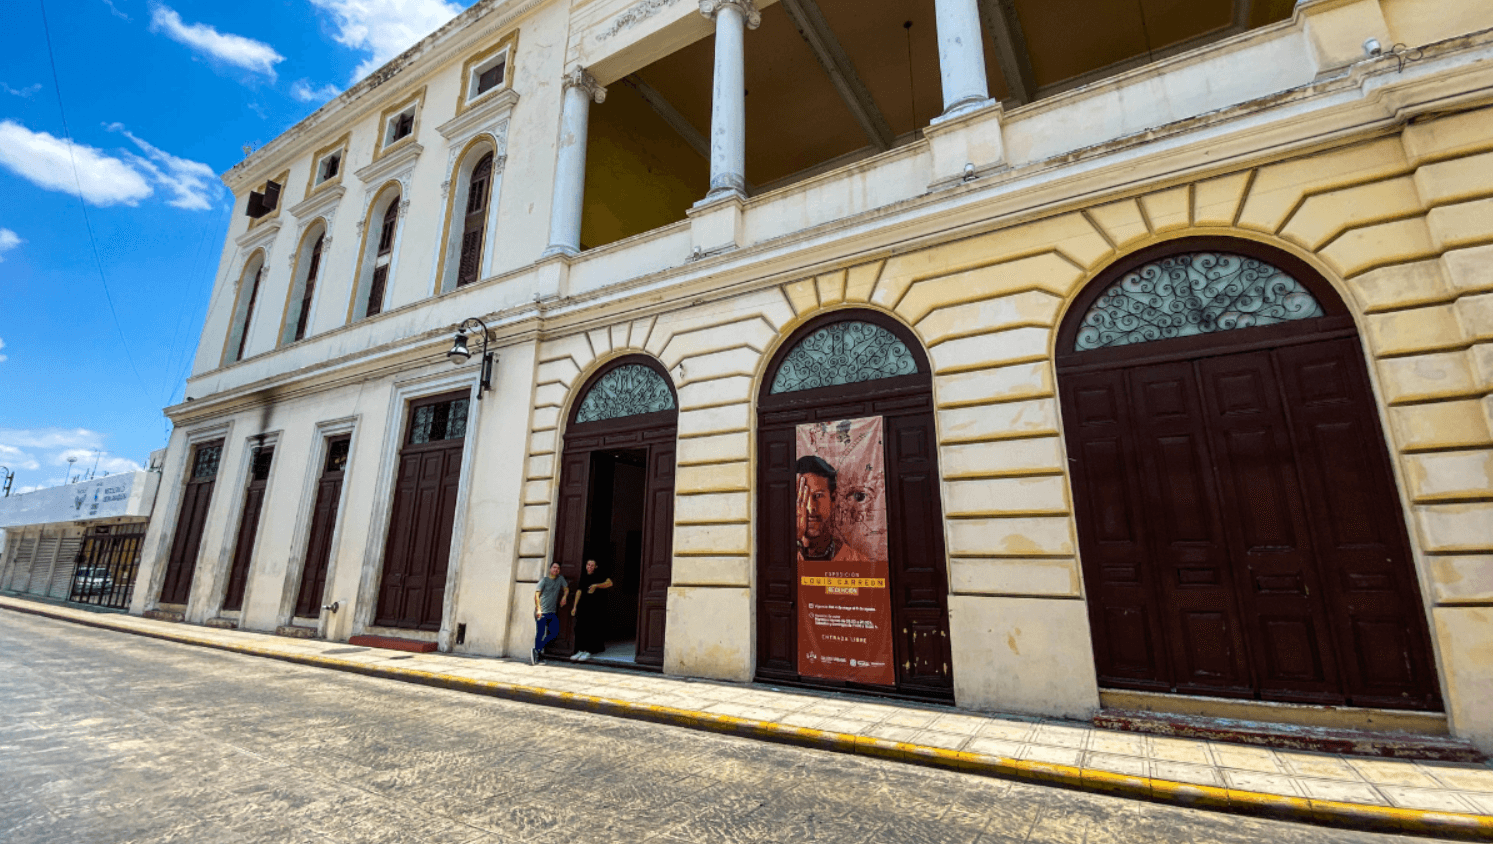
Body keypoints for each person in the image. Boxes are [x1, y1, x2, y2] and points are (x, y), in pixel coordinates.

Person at [796, 455, 866, 563]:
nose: (810, 508)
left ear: (833, 499)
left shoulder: (858, 563)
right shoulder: (778, 558)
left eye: (818, 496)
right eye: (801, 497)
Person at [570, 558, 614, 661]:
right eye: (588, 565)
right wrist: (574, 606)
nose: (589, 567)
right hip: (583, 606)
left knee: (591, 628)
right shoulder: (583, 576)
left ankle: (588, 651)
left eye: (592, 565)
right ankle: (580, 650)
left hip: (595, 607)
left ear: (595, 567)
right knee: (580, 627)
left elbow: (610, 583)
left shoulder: (600, 575)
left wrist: (596, 585)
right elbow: (579, 591)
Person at [532, 562, 569, 664]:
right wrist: (538, 609)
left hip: (552, 612)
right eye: (554, 567)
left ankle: (537, 649)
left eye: (558, 568)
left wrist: (564, 597)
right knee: (540, 634)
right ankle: (537, 656)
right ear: (550, 569)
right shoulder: (544, 580)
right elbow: (536, 595)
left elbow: (566, 589)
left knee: (554, 633)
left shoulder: (560, 579)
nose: (556, 570)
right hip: (542, 612)